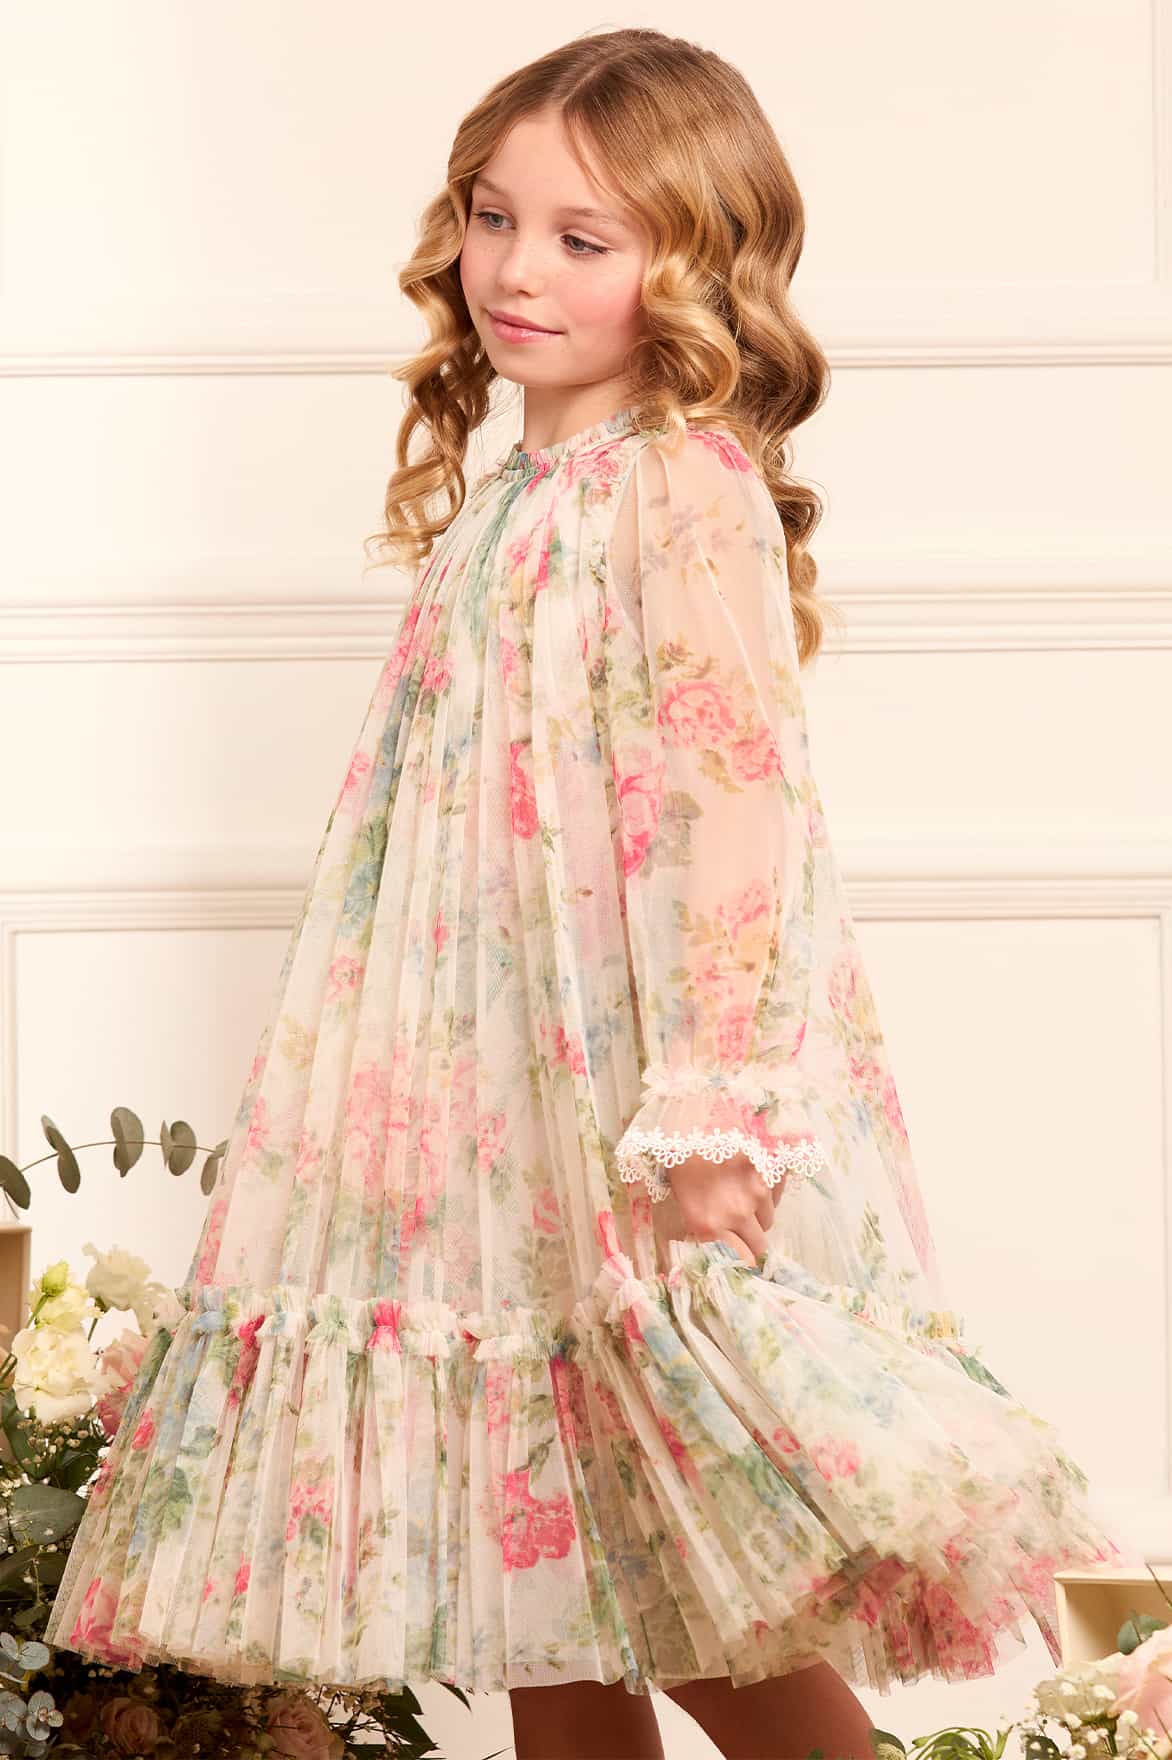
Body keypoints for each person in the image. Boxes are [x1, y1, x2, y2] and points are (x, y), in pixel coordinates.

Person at [43, 26, 1126, 1760]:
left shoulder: (679, 485)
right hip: (489, 1119)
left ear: (690, 261)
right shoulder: (509, 503)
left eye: (581, 237)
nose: (516, 271)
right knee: (537, 1572)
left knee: (690, 1579)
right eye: (493, 218)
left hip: (623, 1106)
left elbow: (735, 800)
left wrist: (710, 1105)